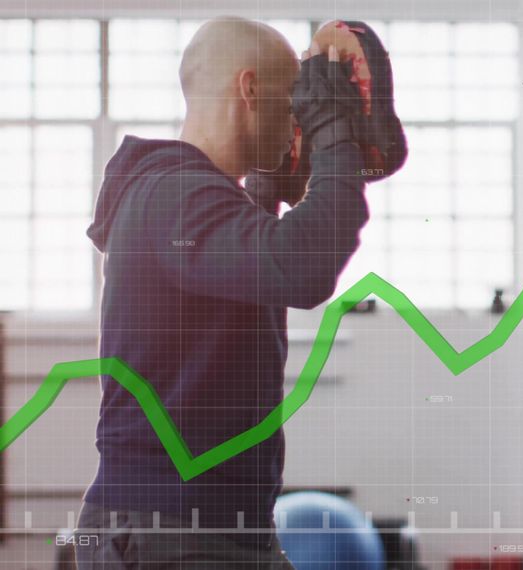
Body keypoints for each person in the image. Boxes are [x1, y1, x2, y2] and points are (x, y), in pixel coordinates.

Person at [75, 16, 381, 567]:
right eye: (294, 100)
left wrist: (270, 186)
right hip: (166, 529)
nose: (298, 120)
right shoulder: (173, 193)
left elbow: (251, 260)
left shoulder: (198, 197)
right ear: (249, 90)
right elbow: (300, 270)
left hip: (217, 526)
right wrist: (337, 136)